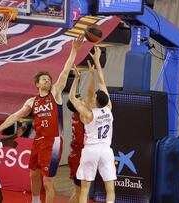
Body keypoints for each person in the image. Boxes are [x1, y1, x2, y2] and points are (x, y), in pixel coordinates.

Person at [0, 35, 85, 203]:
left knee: (48, 181)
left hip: (53, 142)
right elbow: (15, 116)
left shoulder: (55, 94)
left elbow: (64, 71)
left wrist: (74, 50)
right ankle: (35, 200)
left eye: (48, 79)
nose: (47, 81)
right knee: (33, 174)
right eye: (44, 80)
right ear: (37, 84)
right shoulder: (31, 101)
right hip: (38, 140)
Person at [68, 46, 116, 203]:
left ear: (95, 101)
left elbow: (72, 98)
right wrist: (97, 64)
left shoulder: (87, 114)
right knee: (110, 190)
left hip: (91, 151)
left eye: (94, 96)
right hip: (106, 151)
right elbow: (102, 82)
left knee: (84, 190)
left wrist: (76, 79)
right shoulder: (109, 108)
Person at [67, 96, 85, 203]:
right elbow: (80, 142)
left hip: (76, 156)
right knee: (79, 192)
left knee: (80, 191)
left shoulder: (76, 115)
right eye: (80, 100)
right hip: (79, 158)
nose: (83, 101)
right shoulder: (81, 116)